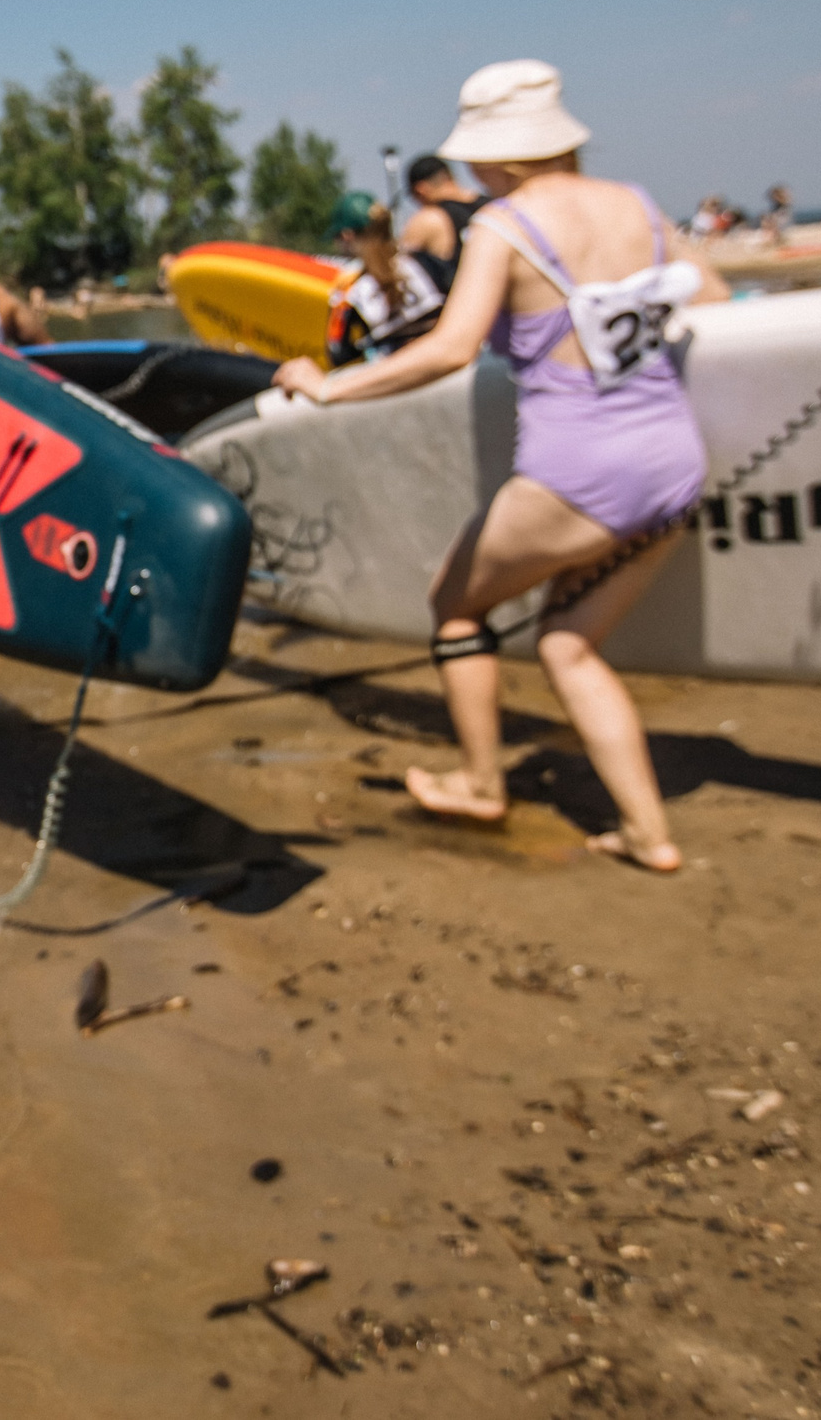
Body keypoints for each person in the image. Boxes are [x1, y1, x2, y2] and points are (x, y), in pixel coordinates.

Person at [269, 60, 727, 873]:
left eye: (479, 156)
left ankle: (482, 782)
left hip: (580, 471)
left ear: (506, 156)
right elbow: (714, 300)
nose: (472, 171)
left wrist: (328, 387)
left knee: (454, 602)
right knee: (566, 644)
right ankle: (649, 834)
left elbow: (448, 348)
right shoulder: (638, 206)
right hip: (674, 462)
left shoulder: (504, 226)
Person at [324, 191, 446, 364]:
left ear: (347, 235)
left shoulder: (351, 290)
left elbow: (338, 353)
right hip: (445, 364)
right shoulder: (423, 261)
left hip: (399, 377)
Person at [397, 155, 489, 289]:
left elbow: (399, 271)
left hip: (464, 303)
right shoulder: (493, 206)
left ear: (421, 189)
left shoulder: (428, 219)